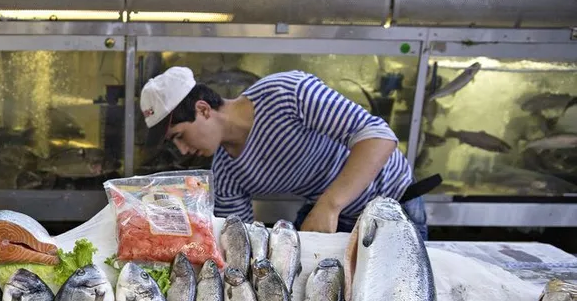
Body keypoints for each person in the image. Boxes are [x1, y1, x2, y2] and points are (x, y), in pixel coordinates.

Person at [140, 66, 429, 238]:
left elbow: (378, 137)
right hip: (337, 215)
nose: (181, 148)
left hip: (394, 202)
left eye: (179, 135)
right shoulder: (227, 174)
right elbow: (241, 240)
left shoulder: (285, 94)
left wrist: (328, 206)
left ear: (203, 109)